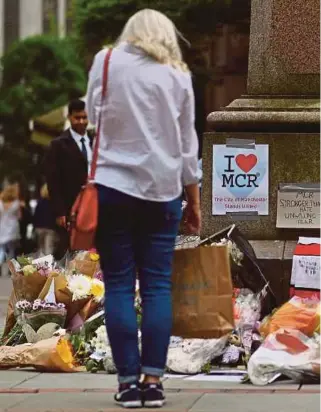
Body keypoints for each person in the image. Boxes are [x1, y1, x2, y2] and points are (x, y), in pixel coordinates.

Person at [87, 9, 201, 409]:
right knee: (156, 286)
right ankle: (153, 382)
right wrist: (195, 199)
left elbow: (93, 122)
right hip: (162, 190)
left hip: (112, 187)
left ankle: (128, 385)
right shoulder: (178, 74)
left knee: (118, 284)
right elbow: (188, 146)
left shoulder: (105, 63)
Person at [45, 99, 92, 259]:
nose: (81, 121)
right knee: (69, 251)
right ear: (70, 118)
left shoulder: (96, 142)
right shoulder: (58, 145)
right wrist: (60, 211)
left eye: (84, 117)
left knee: (92, 251)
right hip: (70, 208)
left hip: (94, 205)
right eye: (77, 118)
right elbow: (53, 180)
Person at [0, 184, 22, 276]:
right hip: (13, 229)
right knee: (12, 250)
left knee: (2, 249)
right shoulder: (16, 203)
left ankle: (0, 264)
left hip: (2, 228)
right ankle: (10, 269)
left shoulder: (0, 203)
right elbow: (20, 216)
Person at [33, 184, 56, 256]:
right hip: (50, 227)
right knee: (49, 247)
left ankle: (41, 263)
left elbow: (36, 215)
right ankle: (48, 263)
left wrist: (34, 226)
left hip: (39, 228)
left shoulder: (39, 202)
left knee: (41, 247)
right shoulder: (54, 203)